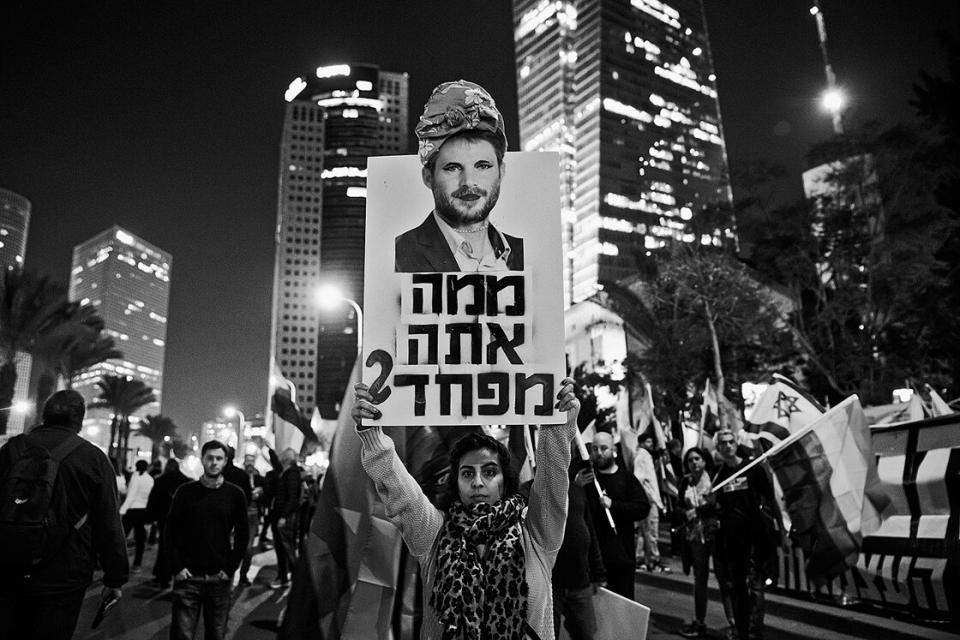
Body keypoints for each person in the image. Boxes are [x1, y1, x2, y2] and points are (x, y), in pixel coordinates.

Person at [352, 377, 579, 640]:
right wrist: (371, 431)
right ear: (456, 483)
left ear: (506, 480)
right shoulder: (435, 533)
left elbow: (553, 478)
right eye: (467, 473)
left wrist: (558, 429)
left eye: (490, 472)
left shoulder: (535, 535)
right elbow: (395, 483)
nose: (478, 482)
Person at [0, 390, 128, 640]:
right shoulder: (92, 458)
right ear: (79, 421)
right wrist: (115, 577)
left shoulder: (11, 449)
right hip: (63, 576)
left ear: (44, 415)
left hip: (7, 566)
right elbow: (109, 522)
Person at [395, 79, 524, 273]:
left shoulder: (526, 253)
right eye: (453, 168)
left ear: (501, 172)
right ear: (428, 177)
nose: (468, 182)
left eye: (483, 166)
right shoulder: (397, 254)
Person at [166, 439, 249, 640]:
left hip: (219, 578)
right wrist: (177, 567)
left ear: (225, 461)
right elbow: (170, 531)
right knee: (181, 635)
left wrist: (230, 568)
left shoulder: (235, 494)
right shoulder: (185, 492)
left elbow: (242, 535)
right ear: (202, 459)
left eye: (219, 458)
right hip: (188, 578)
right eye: (210, 458)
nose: (214, 462)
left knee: (216, 634)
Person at [713, 429, 776, 640]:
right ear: (719, 447)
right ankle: (741, 629)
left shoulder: (751, 468)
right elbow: (718, 506)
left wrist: (778, 529)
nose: (728, 446)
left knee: (755, 585)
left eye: (731, 442)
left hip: (754, 537)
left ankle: (755, 629)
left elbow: (769, 495)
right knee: (737, 587)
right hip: (732, 540)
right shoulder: (720, 476)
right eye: (724, 443)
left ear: (736, 443)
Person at [579, 430, 649, 600]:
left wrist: (614, 505)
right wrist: (576, 488)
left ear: (613, 450)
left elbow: (642, 508)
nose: (599, 453)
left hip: (621, 557)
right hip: (595, 560)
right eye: (594, 449)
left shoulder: (626, 478)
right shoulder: (586, 480)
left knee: (622, 611)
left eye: (604, 448)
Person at [677, 447, 734, 638]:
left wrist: (700, 511)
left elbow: (718, 505)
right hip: (695, 535)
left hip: (715, 533)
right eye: (690, 460)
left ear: (704, 460)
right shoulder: (686, 481)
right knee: (699, 579)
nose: (694, 463)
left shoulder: (715, 479)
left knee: (723, 579)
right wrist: (685, 512)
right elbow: (678, 505)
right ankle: (700, 622)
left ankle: (734, 623)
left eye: (697, 459)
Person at [553, 451, 606, 640]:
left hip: (579, 581)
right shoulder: (531, 491)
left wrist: (598, 572)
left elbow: (589, 533)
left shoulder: (576, 491)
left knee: (585, 634)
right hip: (551, 584)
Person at [147, 458, 191, 588]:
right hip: (180, 519)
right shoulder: (185, 481)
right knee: (178, 545)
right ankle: (176, 571)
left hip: (163, 517)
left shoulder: (161, 480)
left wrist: (150, 516)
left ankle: (162, 574)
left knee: (164, 545)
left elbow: (153, 500)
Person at [222, 446, 260, 586]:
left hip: (246, 515)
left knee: (246, 547)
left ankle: (238, 574)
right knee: (238, 545)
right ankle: (231, 573)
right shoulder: (240, 475)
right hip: (242, 514)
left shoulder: (258, 478)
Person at [633, 432, 668, 572]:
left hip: (649, 500)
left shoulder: (645, 456)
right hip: (649, 500)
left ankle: (641, 559)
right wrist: (648, 499)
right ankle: (654, 560)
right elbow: (639, 480)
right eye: (648, 442)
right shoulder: (642, 456)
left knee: (644, 532)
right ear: (641, 443)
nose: (651, 444)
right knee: (651, 531)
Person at [270, 447, 302, 589]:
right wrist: (269, 449)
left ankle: (293, 579)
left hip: (284, 517)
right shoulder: (286, 472)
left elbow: (293, 498)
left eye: (283, 455)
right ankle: (284, 577)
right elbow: (276, 465)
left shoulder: (292, 474)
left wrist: (283, 516)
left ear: (287, 459)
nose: (281, 457)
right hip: (280, 515)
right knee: (283, 548)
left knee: (285, 549)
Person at [120, 458, 155, 572]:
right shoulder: (150, 479)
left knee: (121, 538)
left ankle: (119, 563)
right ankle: (137, 564)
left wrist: (122, 510)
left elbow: (131, 495)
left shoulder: (135, 477)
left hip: (132, 510)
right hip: (143, 511)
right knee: (140, 540)